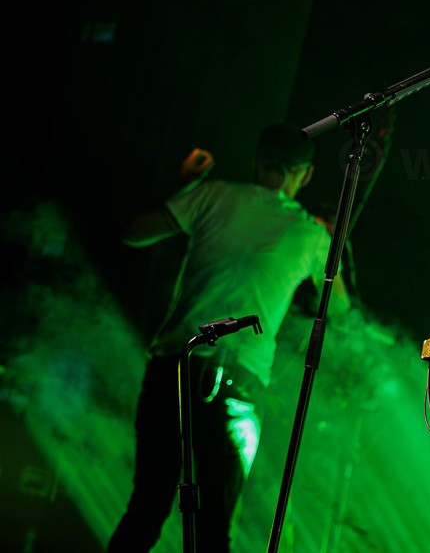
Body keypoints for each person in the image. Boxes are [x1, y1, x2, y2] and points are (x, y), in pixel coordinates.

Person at [109, 125, 341, 552]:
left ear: (256, 161)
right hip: (240, 385)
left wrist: (183, 182)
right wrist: (338, 247)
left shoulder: (212, 195)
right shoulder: (312, 234)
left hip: (175, 368)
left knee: (146, 508)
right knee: (213, 529)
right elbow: (340, 309)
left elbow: (132, 231)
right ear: (306, 175)